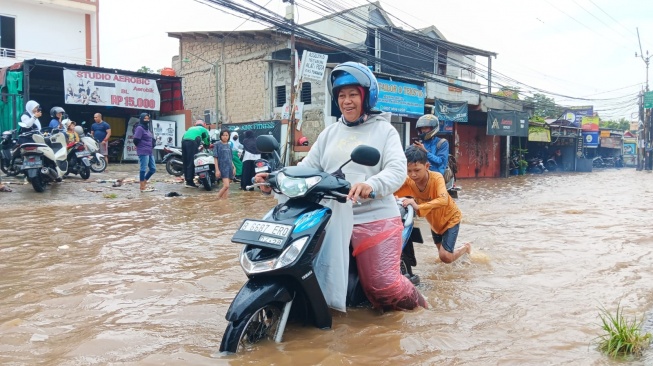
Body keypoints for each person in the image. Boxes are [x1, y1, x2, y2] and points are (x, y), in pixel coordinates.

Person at [256, 61, 426, 311]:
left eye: (353, 94)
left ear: (367, 96)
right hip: (331, 216)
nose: (347, 101)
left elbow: (397, 171)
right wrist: (275, 180)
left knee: (382, 286)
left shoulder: (385, 130)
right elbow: (308, 167)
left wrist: (371, 185)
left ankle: (424, 306)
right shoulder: (330, 133)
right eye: (342, 96)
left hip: (373, 216)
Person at [395, 146, 471, 264]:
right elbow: (390, 191)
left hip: (450, 219)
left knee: (445, 257)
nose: (413, 175)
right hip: (434, 222)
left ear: (426, 166)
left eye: (417, 170)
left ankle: (465, 248)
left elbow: (443, 200)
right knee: (442, 257)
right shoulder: (409, 181)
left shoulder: (436, 178)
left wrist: (418, 206)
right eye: (409, 171)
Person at [181, 120, 211, 188]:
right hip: (192, 142)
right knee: (192, 161)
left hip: (184, 142)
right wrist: (207, 145)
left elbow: (184, 136)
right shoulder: (204, 130)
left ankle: (187, 180)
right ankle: (190, 182)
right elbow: (207, 140)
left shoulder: (190, 128)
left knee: (186, 161)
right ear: (204, 124)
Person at [133, 113, 156, 192]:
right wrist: (139, 146)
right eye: (145, 118)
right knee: (143, 168)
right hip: (143, 150)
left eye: (147, 118)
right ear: (141, 119)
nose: (146, 120)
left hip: (149, 151)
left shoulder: (147, 129)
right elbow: (136, 139)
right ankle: (142, 186)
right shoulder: (139, 128)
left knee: (153, 169)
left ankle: (144, 181)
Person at [214, 130, 236, 198]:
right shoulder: (217, 144)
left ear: (229, 136)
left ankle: (224, 202)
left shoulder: (229, 145)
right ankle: (216, 199)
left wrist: (234, 167)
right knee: (226, 186)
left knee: (227, 187)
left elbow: (230, 158)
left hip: (229, 167)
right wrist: (217, 170)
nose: (225, 137)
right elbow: (215, 158)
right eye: (223, 135)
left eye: (226, 135)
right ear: (220, 136)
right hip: (222, 167)